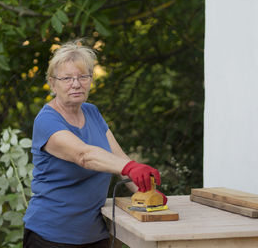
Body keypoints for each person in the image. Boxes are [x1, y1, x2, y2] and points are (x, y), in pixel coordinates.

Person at [23, 40, 167, 248]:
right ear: (52, 84)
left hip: (95, 233)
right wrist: (130, 167)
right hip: (51, 236)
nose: (76, 83)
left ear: (91, 80)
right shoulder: (47, 120)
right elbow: (84, 156)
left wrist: (146, 191)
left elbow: (119, 160)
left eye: (83, 76)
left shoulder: (91, 112)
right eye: (67, 78)